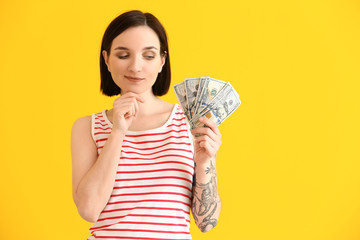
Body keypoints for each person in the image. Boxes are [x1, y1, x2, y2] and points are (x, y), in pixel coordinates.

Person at [71, 10, 222, 239]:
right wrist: (118, 131)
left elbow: (206, 222)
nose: (135, 67)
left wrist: (204, 164)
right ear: (106, 59)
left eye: (148, 56)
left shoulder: (191, 122)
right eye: (123, 55)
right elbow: (89, 210)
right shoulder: (87, 127)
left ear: (162, 60)